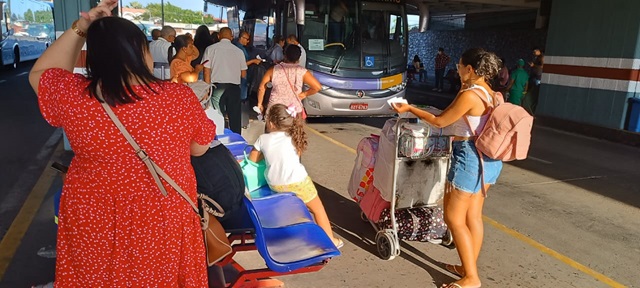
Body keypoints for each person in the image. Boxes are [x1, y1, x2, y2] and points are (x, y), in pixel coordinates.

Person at [27, 1, 215, 286]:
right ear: (141, 52)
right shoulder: (179, 98)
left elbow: (41, 74)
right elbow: (199, 147)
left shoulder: (76, 98)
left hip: (93, 219)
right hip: (162, 218)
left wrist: (83, 26)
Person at [391, 48, 503, 288]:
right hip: (489, 160)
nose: (457, 70)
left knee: (453, 217)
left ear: (470, 69)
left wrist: (409, 108)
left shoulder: (471, 95)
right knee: (473, 216)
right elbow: (448, 114)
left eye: (460, 66)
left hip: (469, 158)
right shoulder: (489, 92)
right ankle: (468, 266)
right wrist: (463, 86)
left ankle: (471, 278)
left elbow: (441, 121)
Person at [248, 104, 343, 249]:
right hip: (298, 182)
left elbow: (252, 160)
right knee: (318, 209)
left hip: (276, 185)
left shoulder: (263, 139)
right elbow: (296, 157)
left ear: (271, 123)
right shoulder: (294, 136)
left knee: (288, 208)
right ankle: (330, 240)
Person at [202, 27, 248, 133]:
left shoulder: (210, 49)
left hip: (217, 87)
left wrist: (207, 89)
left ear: (218, 36)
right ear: (231, 37)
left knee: (217, 115)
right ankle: (236, 139)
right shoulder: (239, 51)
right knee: (235, 116)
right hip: (234, 88)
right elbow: (243, 74)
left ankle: (219, 138)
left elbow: (206, 71)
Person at [257, 44, 322, 115]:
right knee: (293, 126)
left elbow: (261, 88)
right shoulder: (302, 71)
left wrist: (260, 104)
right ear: (299, 57)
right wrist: (304, 94)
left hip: (275, 109)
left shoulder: (273, 70)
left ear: (285, 55)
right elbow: (317, 87)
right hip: (294, 110)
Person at [235, 31, 263, 101]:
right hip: (241, 74)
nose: (248, 41)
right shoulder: (239, 49)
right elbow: (241, 64)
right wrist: (253, 61)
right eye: (247, 39)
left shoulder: (239, 47)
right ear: (241, 38)